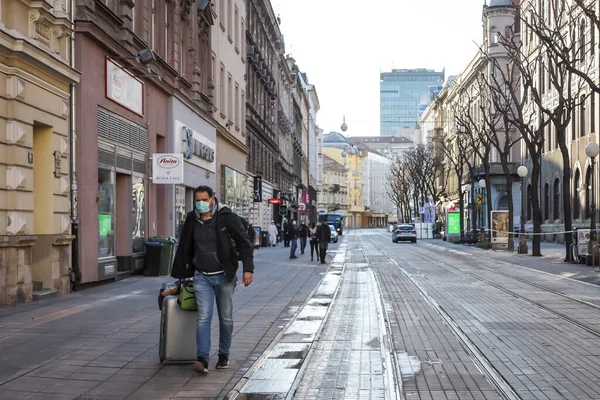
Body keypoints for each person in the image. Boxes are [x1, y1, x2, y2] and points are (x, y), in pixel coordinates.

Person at [171, 186, 254, 374]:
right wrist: (182, 271)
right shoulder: (192, 219)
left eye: (204, 199)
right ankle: (202, 359)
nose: (200, 203)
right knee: (203, 317)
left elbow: (244, 243)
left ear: (212, 199)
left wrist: (248, 270)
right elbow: (185, 245)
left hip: (224, 275)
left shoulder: (226, 217)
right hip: (201, 276)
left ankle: (223, 354)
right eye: (197, 200)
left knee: (225, 317)